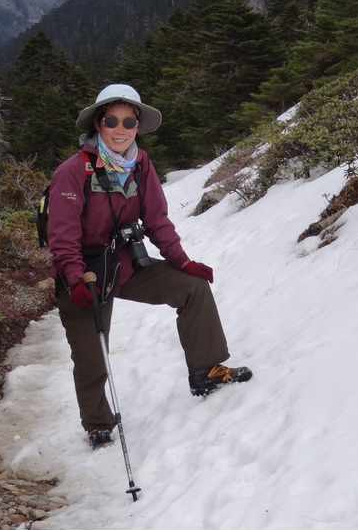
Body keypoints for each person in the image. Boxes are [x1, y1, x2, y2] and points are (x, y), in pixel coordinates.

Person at [48, 83, 252, 450]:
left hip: (124, 264)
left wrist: (182, 261)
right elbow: (62, 236)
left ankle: (205, 371)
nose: (120, 128)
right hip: (83, 272)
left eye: (129, 120)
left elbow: (156, 219)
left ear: (138, 125)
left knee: (192, 289)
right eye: (112, 120)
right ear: (98, 124)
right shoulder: (72, 171)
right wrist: (76, 280)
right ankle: (98, 423)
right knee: (91, 353)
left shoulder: (140, 164)